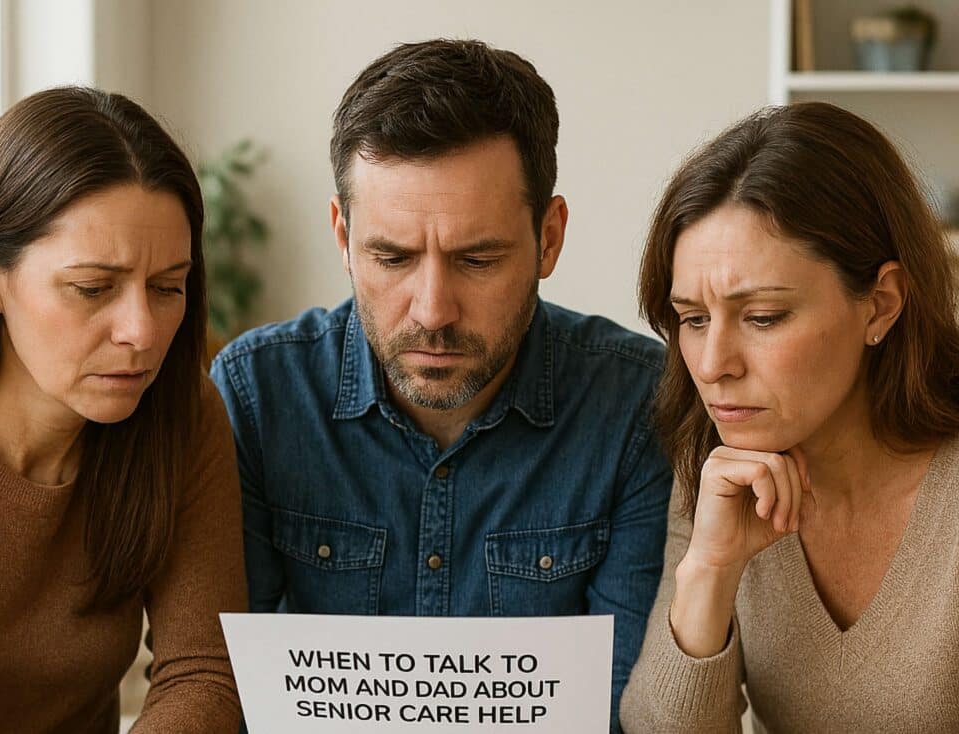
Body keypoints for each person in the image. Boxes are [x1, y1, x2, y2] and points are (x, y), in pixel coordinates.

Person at [210, 39, 671, 728]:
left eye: (477, 259)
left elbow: (626, 711)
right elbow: (225, 690)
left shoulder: (639, 405)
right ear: (342, 236)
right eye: (391, 257)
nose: (432, 310)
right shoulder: (256, 397)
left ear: (549, 238)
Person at [620, 102, 959, 732]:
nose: (714, 364)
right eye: (693, 319)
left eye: (763, 317)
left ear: (880, 304)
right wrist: (711, 571)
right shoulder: (718, 472)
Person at [0, 87, 247, 733]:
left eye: (168, 288)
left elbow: (204, 674)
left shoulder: (183, 417)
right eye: (92, 288)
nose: (141, 330)